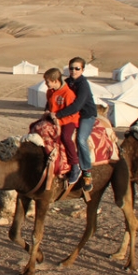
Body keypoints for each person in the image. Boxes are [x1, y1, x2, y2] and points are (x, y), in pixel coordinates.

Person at [55, 57, 98, 191]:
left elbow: (77, 105)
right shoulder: (67, 82)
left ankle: (86, 172)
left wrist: (58, 115)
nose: (73, 71)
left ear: (82, 70)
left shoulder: (83, 84)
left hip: (86, 115)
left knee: (81, 139)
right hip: (72, 115)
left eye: (77, 68)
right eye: (71, 68)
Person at [44, 67, 81, 185]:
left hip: (69, 121)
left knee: (66, 137)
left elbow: (73, 112)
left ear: (55, 80)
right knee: (36, 129)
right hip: (54, 119)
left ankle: (75, 165)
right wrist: (46, 113)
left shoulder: (68, 93)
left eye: (47, 81)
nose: (46, 84)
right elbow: (50, 107)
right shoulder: (50, 92)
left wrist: (59, 121)